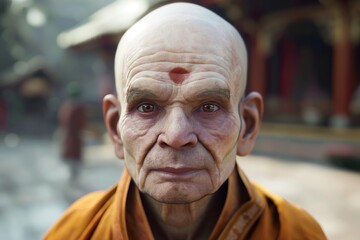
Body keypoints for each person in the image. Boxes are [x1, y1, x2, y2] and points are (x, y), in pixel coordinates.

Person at [45, 3, 326, 239]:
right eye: (146, 106)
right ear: (115, 129)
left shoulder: (297, 232)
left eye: (208, 106)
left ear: (248, 126)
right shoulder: (75, 231)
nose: (177, 136)